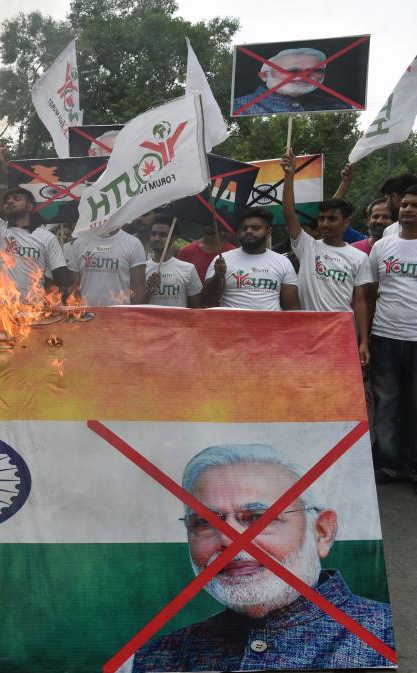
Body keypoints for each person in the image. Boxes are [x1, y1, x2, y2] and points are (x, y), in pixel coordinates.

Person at [132, 444, 394, 672]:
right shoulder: (156, 658)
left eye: (258, 518)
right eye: (204, 521)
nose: (228, 538)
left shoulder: (388, 634)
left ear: (322, 532)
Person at [281, 151, 373, 364]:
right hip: (306, 329)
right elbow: (288, 212)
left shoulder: (358, 257)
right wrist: (289, 175)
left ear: (346, 224)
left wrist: (363, 341)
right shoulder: (307, 246)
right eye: (321, 219)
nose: (325, 223)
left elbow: (360, 302)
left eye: (332, 219)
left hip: (341, 331)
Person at [367, 185, 417, 484]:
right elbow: (370, 293)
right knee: (387, 402)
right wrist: (367, 337)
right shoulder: (381, 247)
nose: (408, 209)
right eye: (406, 205)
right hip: (385, 335)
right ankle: (388, 462)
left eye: (415, 206)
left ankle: (413, 466)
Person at [202, 207, 299, 311]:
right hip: (232, 325)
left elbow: (292, 307)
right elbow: (207, 302)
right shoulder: (222, 260)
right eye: (244, 228)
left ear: (269, 232)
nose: (248, 231)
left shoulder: (283, 262)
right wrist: (218, 276)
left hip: (270, 326)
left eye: (255, 228)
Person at [0, 187, 73, 301]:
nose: (10, 201)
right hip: (1, 312)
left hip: (34, 311)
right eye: (7, 200)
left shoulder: (47, 237)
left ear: (29, 206)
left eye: (16, 198)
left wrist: (67, 301)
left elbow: (61, 276)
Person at [232, 47, 347, 115]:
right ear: (264, 76)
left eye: (314, 71)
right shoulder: (238, 106)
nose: (305, 76)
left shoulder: (340, 106)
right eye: (292, 71)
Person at [66, 218, 147, 307]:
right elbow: (73, 286)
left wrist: (134, 317)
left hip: (120, 315)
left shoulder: (133, 244)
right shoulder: (79, 243)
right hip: (87, 315)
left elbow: (138, 288)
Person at [145, 216, 202, 308]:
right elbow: (132, 307)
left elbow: (196, 309)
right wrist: (149, 290)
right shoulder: (140, 270)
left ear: (174, 238)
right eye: (153, 234)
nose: (156, 238)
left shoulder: (188, 269)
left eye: (162, 235)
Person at [177, 216, 237, 283]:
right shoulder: (186, 251)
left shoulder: (234, 253)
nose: (207, 225)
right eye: (205, 221)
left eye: (212, 222)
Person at [378, 173, 417, 240]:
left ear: (394, 197)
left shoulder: (390, 231)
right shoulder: (389, 231)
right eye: (405, 205)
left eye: (386, 199)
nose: (386, 206)